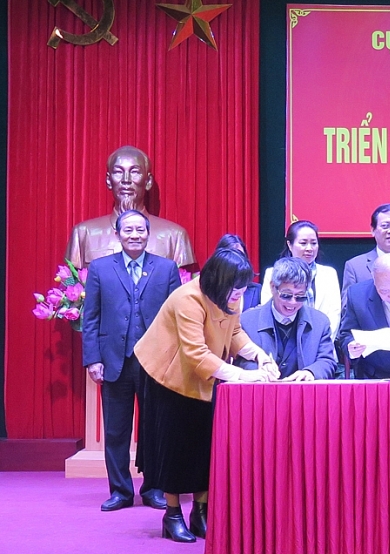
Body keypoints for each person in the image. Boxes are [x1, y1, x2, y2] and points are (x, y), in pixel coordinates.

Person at [134, 248, 280, 542]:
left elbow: (235, 333)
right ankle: (172, 515)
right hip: (169, 376)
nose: (239, 295)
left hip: (206, 376)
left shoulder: (232, 296)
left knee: (205, 446)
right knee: (174, 448)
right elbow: (196, 354)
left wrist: (260, 356)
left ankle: (200, 513)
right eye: (236, 290)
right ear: (218, 282)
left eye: (242, 289)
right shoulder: (187, 299)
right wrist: (243, 375)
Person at [81, 210, 181, 512]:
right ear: (118, 234)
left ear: (148, 233)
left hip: (155, 363)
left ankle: (154, 489)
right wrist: (93, 359)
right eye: (128, 230)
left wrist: (173, 359)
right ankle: (120, 491)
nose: (134, 235)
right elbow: (91, 317)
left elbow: (177, 318)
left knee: (155, 429)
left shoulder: (166, 268)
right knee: (115, 431)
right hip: (114, 361)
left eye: (140, 230)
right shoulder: (100, 268)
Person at [66, 145, 195, 269]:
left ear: (148, 181)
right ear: (109, 180)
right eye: (118, 172)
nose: (126, 180)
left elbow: (186, 282)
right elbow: (70, 281)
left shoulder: (175, 236)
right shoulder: (83, 233)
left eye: (135, 172)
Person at [238, 257, 336, 380]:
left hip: (304, 390)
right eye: (286, 295)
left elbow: (327, 361)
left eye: (300, 296)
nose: (292, 302)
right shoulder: (247, 321)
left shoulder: (320, 322)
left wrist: (310, 373)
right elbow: (241, 361)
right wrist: (259, 372)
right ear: (272, 287)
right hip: (262, 389)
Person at [260, 221, 341, 340]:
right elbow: (268, 310)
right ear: (289, 244)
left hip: (322, 342)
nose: (309, 248)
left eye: (313, 243)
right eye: (303, 243)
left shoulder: (329, 274)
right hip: (283, 341)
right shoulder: (272, 273)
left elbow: (334, 314)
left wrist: (321, 342)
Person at [215, 233, 261, 312]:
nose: (237, 260)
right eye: (232, 256)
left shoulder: (257, 290)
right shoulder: (208, 292)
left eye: (241, 255)